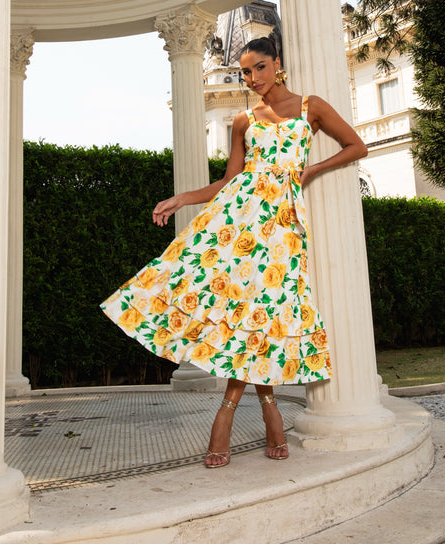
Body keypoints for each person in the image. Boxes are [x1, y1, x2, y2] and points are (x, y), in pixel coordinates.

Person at [101, 36, 367, 468]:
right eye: (245, 71)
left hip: (282, 226)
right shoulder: (243, 120)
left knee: (265, 309)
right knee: (240, 309)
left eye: (259, 67)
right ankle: (267, 411)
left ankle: (233, 413)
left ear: (277, 63)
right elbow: (230, 179)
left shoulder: (310, 106)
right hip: (237, 221)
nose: (252, 78)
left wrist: (306, 172)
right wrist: (184, 198)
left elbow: (357, 146)